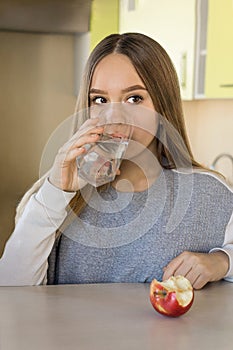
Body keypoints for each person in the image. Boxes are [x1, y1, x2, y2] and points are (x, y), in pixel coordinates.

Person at [0, 32, 232, 289]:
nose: (114, 116)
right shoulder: (60, 192)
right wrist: (56, 190)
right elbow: (11, 288)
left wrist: (222, 261)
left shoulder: (210, 192)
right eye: (100, 100)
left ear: (162, 106)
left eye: (134, 98)